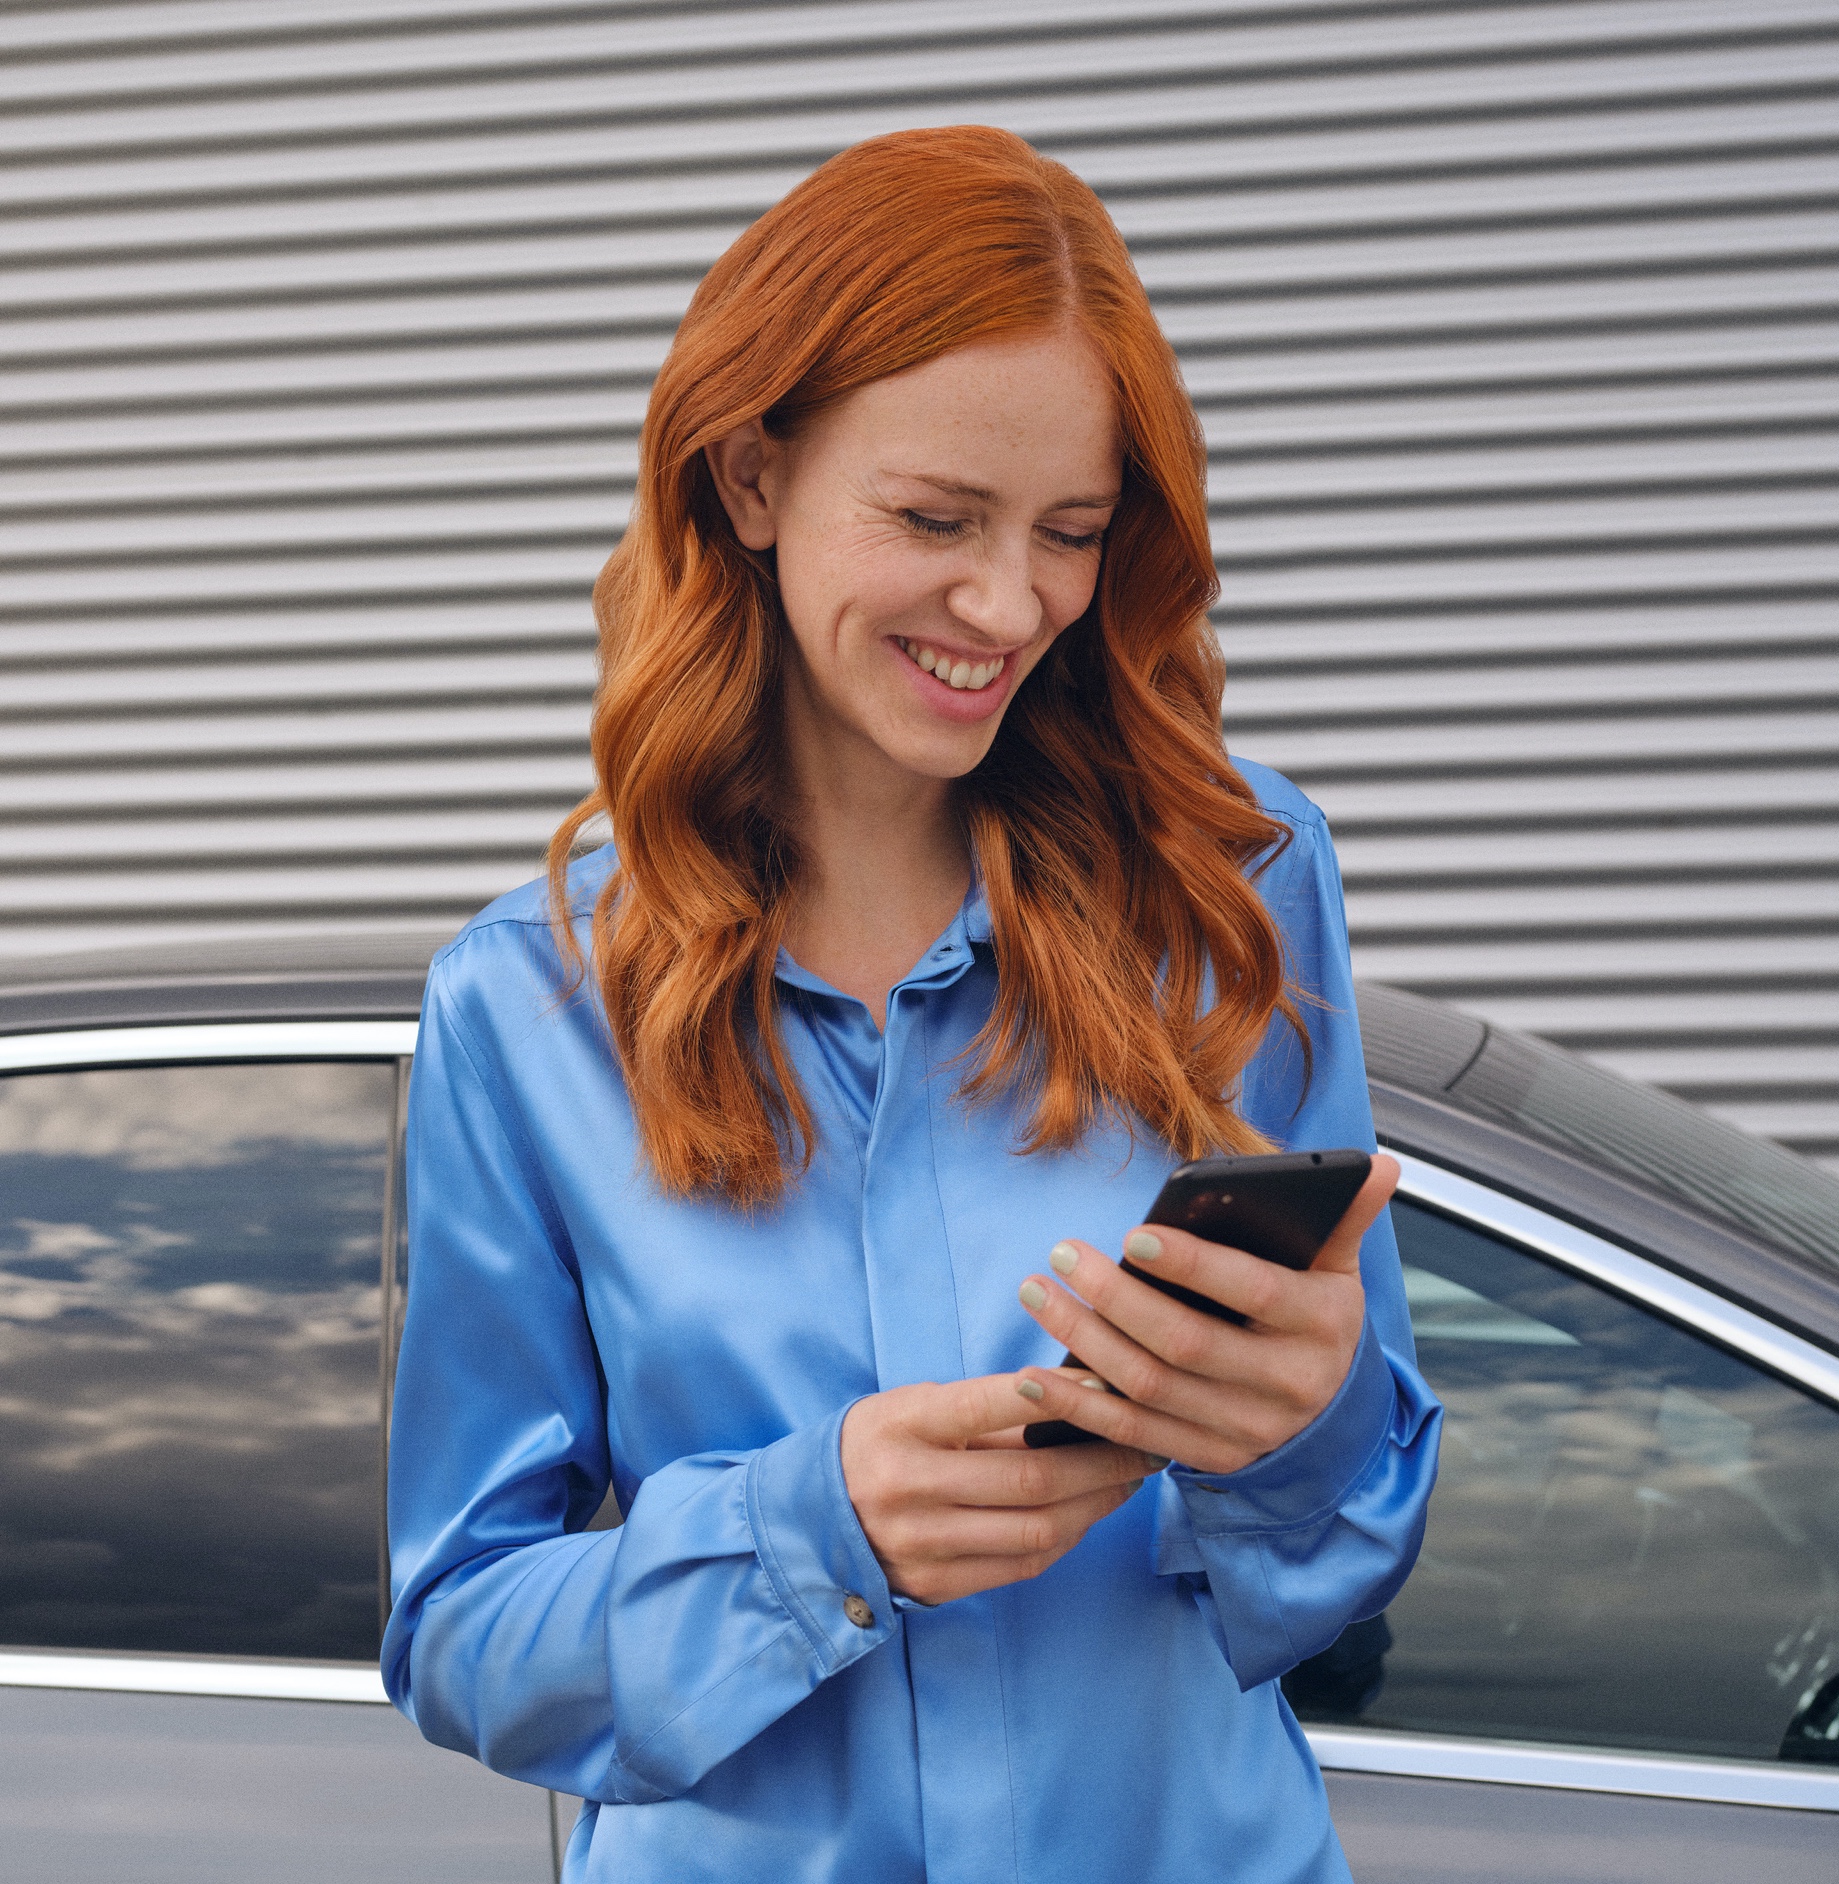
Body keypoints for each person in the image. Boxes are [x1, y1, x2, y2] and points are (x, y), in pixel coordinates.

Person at [381, 124, 1443, 1884]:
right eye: (936, 519)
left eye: (1073, 532)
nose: (1010, 603)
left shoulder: (1233, 896)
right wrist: (818, 1528)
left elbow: (1337, 1563)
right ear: (746, 480)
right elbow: (464, 1637)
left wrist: (1308, 1428)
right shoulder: (526, 1012)